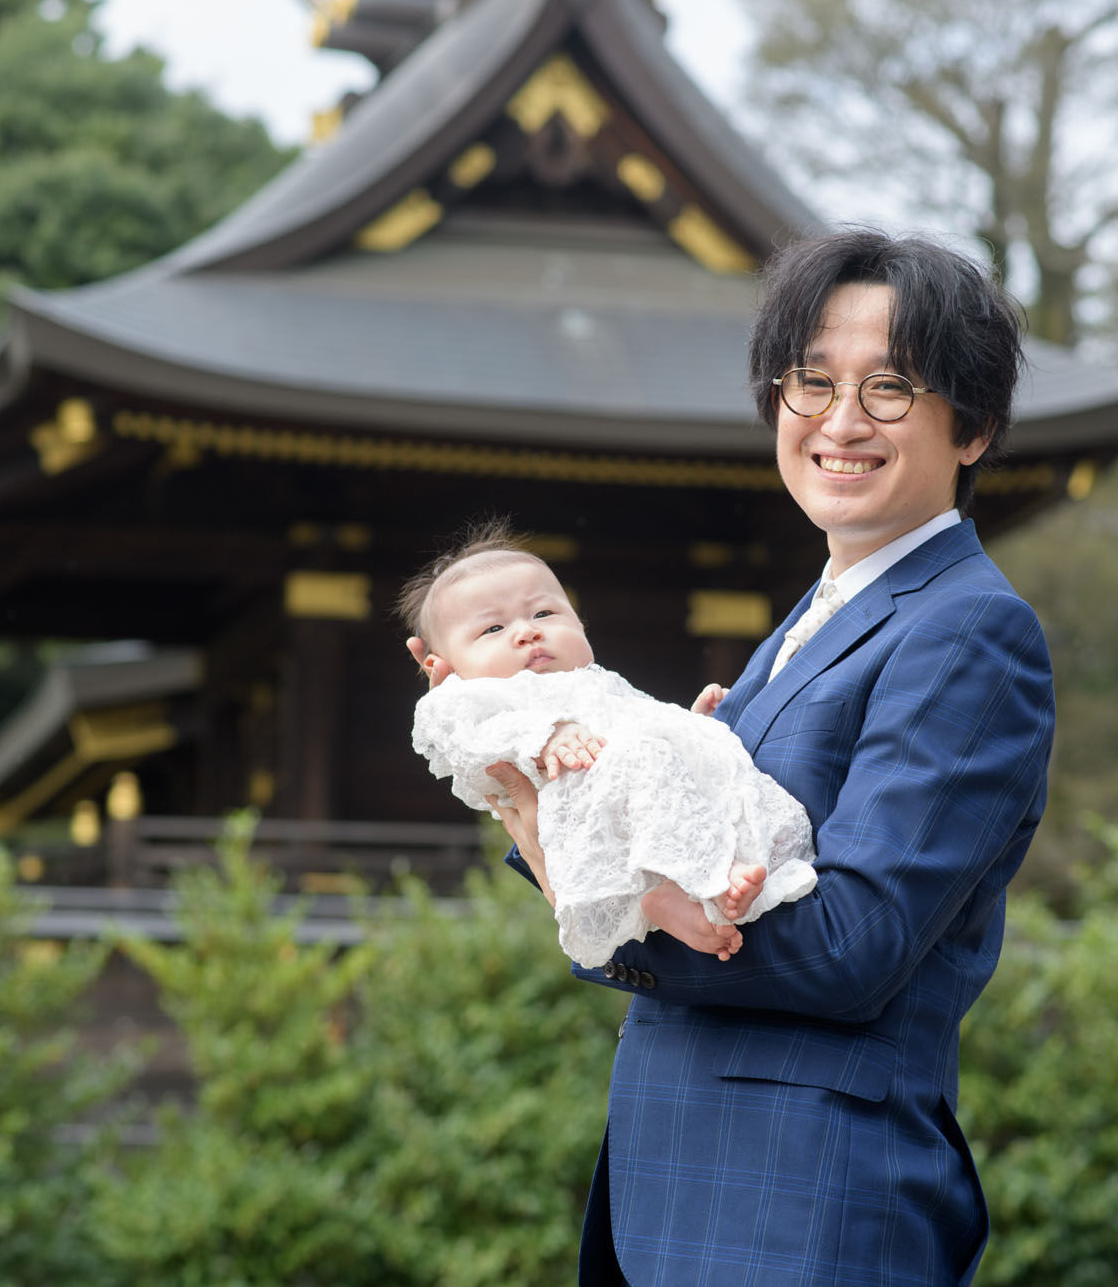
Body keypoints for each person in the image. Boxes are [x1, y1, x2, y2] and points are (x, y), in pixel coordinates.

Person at [442, 229, 1055, 1286]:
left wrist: (583, 892)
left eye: (891, 388)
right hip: (701, 1207)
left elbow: (850, 944)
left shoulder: (965, 630)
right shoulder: (813, 619)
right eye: (809, 382)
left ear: (976, 426)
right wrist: (520, 731)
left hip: (804, 1212)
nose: (839, 421)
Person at [399, 525, 818, 967]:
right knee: (644, 759)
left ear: (579, 622)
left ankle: (719, 880)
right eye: (494, 628)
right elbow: (467, 741)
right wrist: (547, 736)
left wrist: (691, 726)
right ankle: (691, 885)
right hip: (578, 799)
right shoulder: (473, 697)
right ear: (439, 665)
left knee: (722, 774)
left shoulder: (594, 683)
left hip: (624, 790)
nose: (526, 633)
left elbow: (637, 717)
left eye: (543, 614)